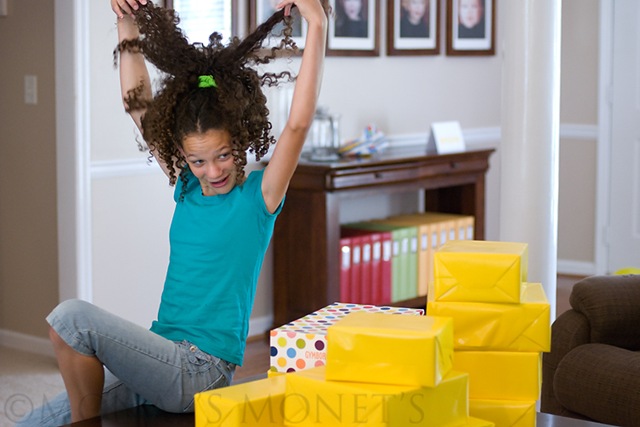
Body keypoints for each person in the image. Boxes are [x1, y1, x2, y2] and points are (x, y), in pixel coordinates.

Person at [16, 0, 328, 425]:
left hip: (202, 371)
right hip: (161, 357)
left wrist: (317, 22)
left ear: (240, 141)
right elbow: (137, 104)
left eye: (223, 155)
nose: (212, 171)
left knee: (72, 319)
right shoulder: (185, 186)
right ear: (182, 155)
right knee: (32, 422)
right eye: (198, 160)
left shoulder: (260, 197)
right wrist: (126, 19)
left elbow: (297, 124)